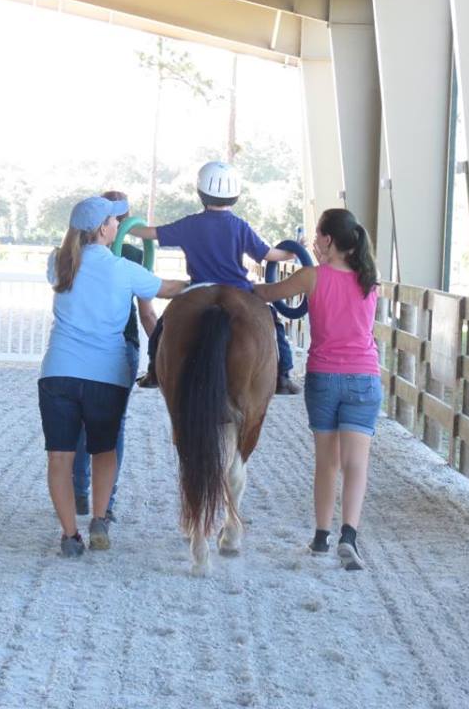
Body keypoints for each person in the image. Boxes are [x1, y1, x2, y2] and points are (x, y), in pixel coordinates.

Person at [39, 195, 187, 557]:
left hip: (57, 372)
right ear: (104, 228)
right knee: (104, 450)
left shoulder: (59, 263)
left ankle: (70, 536)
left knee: (59, 457)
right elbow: (168, 288)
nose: (119, 225)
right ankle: (101, 518)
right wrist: (207, 282)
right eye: (114, 221)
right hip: (106, 375)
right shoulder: (123, 269)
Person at [252, 208, 381, 571]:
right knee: (357, 464)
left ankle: (321, 536)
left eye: (317, 236)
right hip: (364, 377)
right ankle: (349, 535)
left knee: (327, 461)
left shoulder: (312, 276)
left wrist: (239, 283)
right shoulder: (370, 279)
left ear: (326, 239)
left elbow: (266, 293)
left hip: (324, 376)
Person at [130, 161, 302, 394]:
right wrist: (293, 251)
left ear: (201, 193)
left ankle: (154, 369)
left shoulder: (189, 224)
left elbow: (153, 233)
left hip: (199, 288)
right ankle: (283, 374)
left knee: (164, 323)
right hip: (240, 290)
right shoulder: (240, 226)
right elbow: (268, 254)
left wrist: (126, 228)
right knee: (274, 323)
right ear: (235, 196)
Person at [69, 191, 158, 522]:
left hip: (75, 347)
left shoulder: (71, 255)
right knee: (113, 425)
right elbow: (147, 311)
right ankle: (106, 503)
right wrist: (160, 348)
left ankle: (79, 490)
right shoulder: (132, 256)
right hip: (122, 343)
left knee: (77, 420)